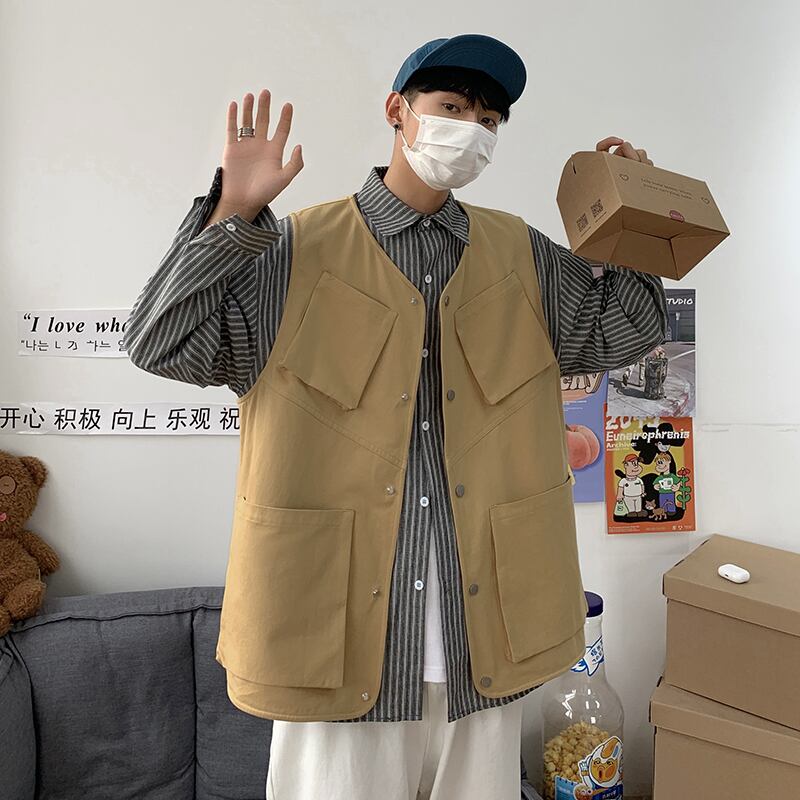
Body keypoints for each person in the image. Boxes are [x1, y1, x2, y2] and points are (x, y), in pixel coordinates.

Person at [124, 33, 667, 800]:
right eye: (451, 107)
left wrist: (632, 217)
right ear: (397, 111)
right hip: (334, 639)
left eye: (488, 119)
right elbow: (158, 342)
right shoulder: (293, 250)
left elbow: (629, 328)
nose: (470, 129)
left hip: (485, 640)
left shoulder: (520, 254)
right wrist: (231, 216)